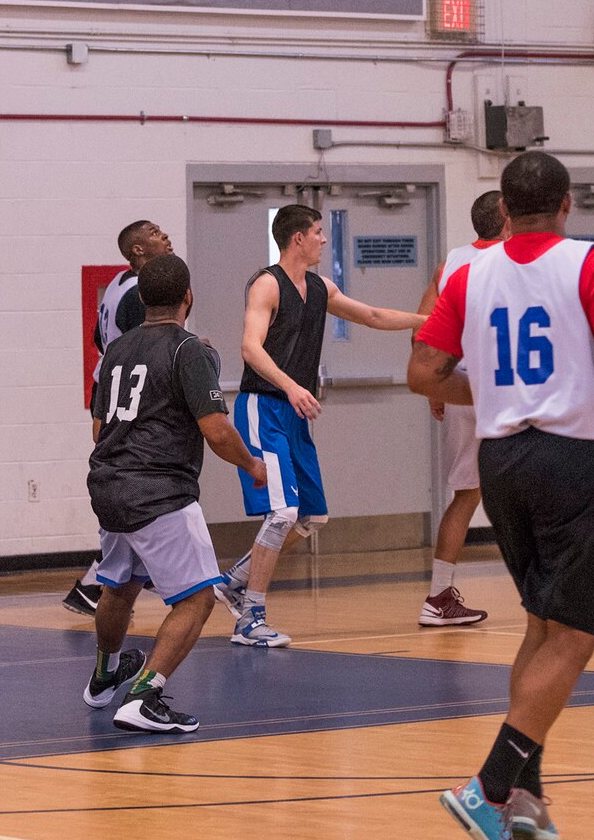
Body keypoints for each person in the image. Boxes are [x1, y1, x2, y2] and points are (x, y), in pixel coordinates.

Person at [409, 152, 594, 840]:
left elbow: (423, 371)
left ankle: (525, 795)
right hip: (573, 456)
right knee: (575, 637)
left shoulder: (468, 272)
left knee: (544, 625)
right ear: (568, 203)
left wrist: (495, 394)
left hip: (503, 461)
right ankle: (488, 786)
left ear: (505, 208)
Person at [212, 204, 426, 648]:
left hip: (292, 413)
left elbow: (372, 316)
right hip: (262, 407)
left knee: (311, 516)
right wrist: (291, 386)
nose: (324, 240)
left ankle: (234, 580)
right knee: (283, 512)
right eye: (317, 232)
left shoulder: (320, 287)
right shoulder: (266, 285)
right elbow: (250, 349)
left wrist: (431, 322)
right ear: (297, 239)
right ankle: (250, 617)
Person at [83, 255, 267, 732]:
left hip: (109, 485)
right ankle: (146, 696)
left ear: (141, 298)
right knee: (198, 598)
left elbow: (100, 428)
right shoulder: (189, 350)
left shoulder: (117, 350)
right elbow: (217, 430)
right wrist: (251, 464)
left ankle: (105, 676)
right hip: (159, 489)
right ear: (189, 296)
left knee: (118, 588)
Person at [64, 220, 175, 617]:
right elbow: (142, 347)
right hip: (126, 394)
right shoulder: (139, 294)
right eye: (155, 232)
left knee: (127, 488)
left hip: (110, 390)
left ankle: (99, 585)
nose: (164, 235)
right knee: (139, 485)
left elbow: (99, 339)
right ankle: (117, 581)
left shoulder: (116, 284)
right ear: (138, 250)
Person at [412, 189, 507, 627]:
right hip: (503, 384)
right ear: (508, 216)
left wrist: (437, 386)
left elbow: (422, 332)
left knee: (467, 494)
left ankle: (439, 595)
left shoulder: (451, 262)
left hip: (459, 382)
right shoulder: (518, 260)